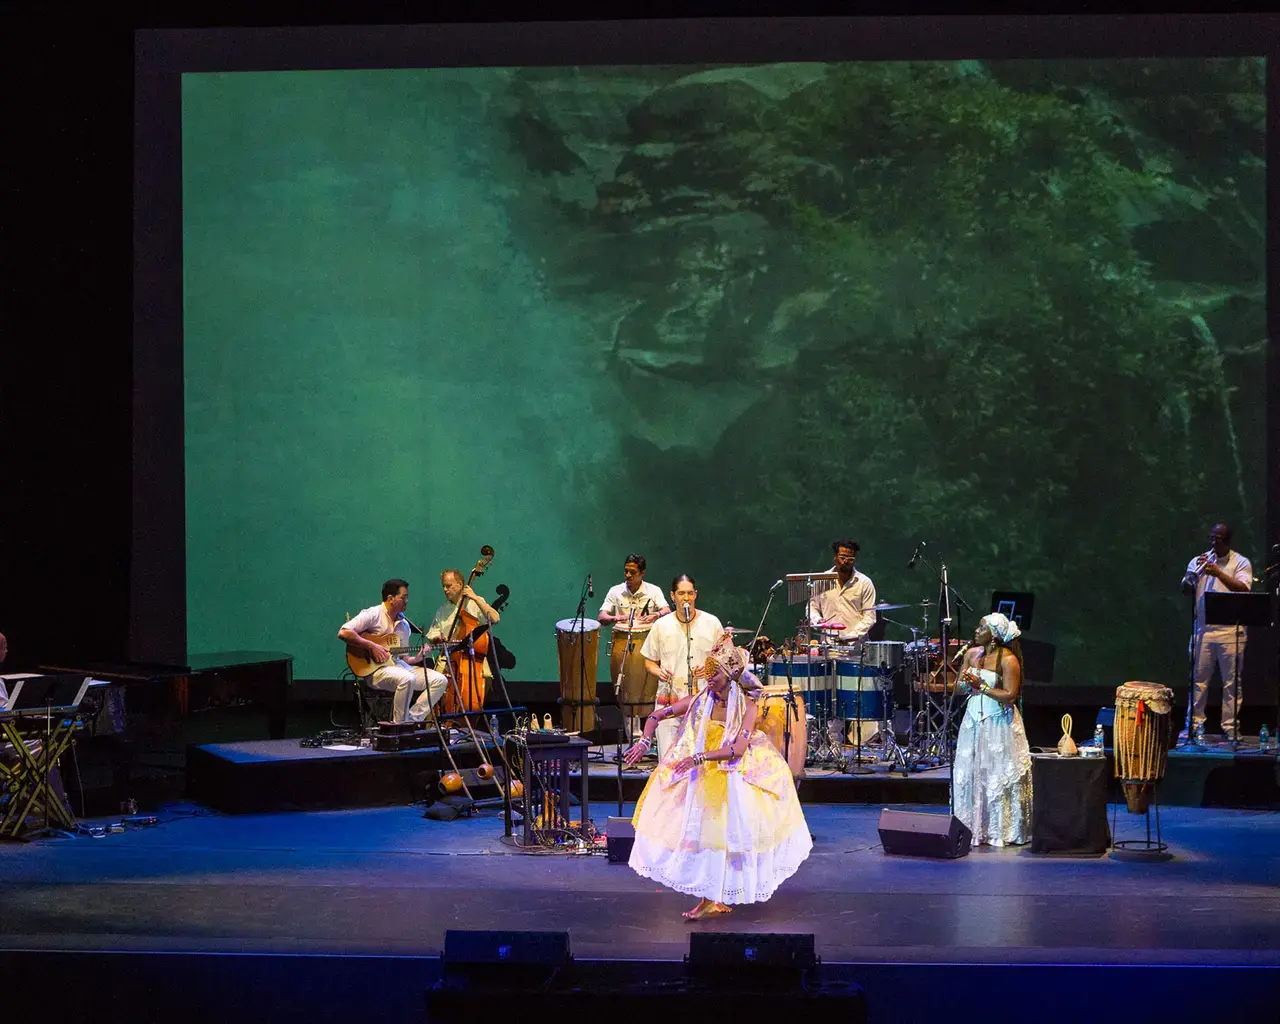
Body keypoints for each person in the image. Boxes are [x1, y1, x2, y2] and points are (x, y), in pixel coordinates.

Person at [623, 634, 812, 919]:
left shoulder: (747, 706)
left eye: (714, 676)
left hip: (733, 768)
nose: (708, 681)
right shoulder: (701, 699)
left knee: (727, 833)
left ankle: (715, 896)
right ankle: (709, 897)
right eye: (707, 675)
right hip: (701, 767)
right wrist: (643, 742)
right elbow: (656, 716)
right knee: (701, 832)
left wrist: (699, 758)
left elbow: (736, 750)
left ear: (728, 677)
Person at [952, 612, 1032, 847]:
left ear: (994, 636)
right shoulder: (971, 654)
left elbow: (1010, 696)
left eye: (982, 628)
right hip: (973, 722)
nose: (976, 632)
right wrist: (966, 683)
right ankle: (972, 829)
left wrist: (983, 687)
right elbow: (957, 687)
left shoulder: (1008, 660)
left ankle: (1000, 830)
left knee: (996, 774)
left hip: (998, 724)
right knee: (972, 773)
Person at [1180, 523, 1253, 742]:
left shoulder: (1240, 562)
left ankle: (1230, 727)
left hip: (1231, 632)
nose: (1214, 543)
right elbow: (1186, 587)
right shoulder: (1199, 560)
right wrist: (1191, 576)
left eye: (1219, 539)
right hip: (1203, 630)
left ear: (1227, 541)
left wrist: (1218, 572)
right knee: (1198, 682)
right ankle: (1194, 726)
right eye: (1212, 538)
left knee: (1231, 683)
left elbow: (1244, 588)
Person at [339, 579, 448, 723]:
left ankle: (411, 720)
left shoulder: (404, 625)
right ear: (390, 598)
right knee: (407, 678)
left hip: (398, 666)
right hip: (376, 671)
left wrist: (418, 658)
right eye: (403, 597)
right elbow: (344, 632)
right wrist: (371, 646)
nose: (407, 601)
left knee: (440, 680)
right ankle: (398, 726)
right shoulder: (374, 614)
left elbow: (403, 658)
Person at [639, 575, 724, 759]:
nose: (686, 598)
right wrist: (657, 670)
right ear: (672, 596)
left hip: (704, 700)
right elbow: (649, 661)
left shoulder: (712, 623)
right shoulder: (661, 625)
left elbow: (725, 658)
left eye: (690, 593)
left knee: (700, 762)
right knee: (669, 760)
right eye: (681, 593)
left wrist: (710, 667)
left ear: (695, 595)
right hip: (670, 699)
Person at [598, 554, 671, 741]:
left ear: (642, 573)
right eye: (626, 571)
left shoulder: (653, 591)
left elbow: (666, 610)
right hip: (624, 646)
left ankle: (651, 738)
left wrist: (654, 615)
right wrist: (616, 618)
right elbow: (602, 617)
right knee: (627, 689)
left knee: (649, 688)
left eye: (633, 572)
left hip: (649, 644)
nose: (628, 575)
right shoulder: (616, 591)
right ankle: (633, 741)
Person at [427, 569, 503, 711]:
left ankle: (472, 714)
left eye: (449, 586)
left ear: (460, 584)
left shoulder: (475, 602)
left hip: (472, 656)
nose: (445, 589)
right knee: (435, 683)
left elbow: (495, 618)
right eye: (443, 586)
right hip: (449, 658)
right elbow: (433, 634)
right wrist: (438, 637)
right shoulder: (442, 609)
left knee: (485, 677)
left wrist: (475, 598)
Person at [809, 539, 877, 643]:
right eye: (842, 557)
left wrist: (850, 637)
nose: (846, 561)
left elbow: (869, 617)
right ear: (835, 558)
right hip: (829, 645)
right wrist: (818, 621)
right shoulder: (822, 580)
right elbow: (812, 608)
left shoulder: (864, 583)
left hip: (856, 647)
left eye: (850, 559)